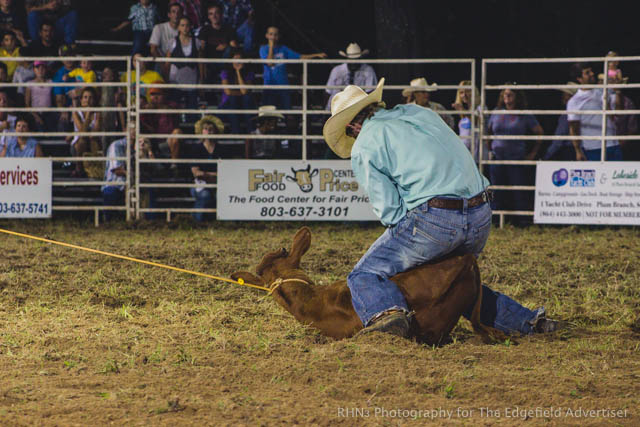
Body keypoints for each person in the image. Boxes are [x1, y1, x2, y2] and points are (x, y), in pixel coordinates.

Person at [322, 79, 559, 338]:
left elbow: (389, 211)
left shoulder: (365, 143)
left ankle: (387, 315)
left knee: (364, 274)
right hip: (481, 212)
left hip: (435, 218)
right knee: (456, 280)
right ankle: (528, 322)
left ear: (352, 126)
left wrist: (412, 237)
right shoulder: (419, 112)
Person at [486, 85, 543, 222]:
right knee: (497, 190)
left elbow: (539, 133)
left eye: (510, 94)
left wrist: (532, 154)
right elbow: (488, 132)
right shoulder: (497, 112)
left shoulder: (524, 114)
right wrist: (490, 149)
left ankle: (522, 221)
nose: (507, 97)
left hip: (516, 158)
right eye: (505, 94)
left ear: (517, 96)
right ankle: (496, 220)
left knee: (519, 191)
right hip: (498, 157)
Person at [259, 26, 326, 110]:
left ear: (278, 36)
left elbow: (300, 56)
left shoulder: (283, 49)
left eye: (275, 34)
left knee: (287, 111)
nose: (273, 37)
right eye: (271, 34)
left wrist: (316, 55)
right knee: (269, 114)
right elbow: (270, 63)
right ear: (267, 36)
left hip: (283, 85)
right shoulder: (263, 49)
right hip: (270, 85)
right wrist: (271, 47)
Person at [567, 62, 621, 161]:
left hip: (613, 144)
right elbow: (573, 128)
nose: (592, 74)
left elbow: (617, 112)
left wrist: (618, 91)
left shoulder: (603, 90)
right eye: (587, 73)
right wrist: (578, 151)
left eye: (591, 71)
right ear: (579, 79)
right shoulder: (574, 101)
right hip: (593, 148)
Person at [188, 115, 224, 221]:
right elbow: (196, 173)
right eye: (206, 129)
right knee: (204, 195)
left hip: (219, 183)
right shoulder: (196, 149)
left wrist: (207, 175)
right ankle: (197, 222)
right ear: (201, 132)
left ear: (216, 132)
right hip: (200, 183)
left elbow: (226, 172)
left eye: (211, 129)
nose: (208, 132)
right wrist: (212, 175)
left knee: (221, 195)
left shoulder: (222, 149)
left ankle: (223, 223)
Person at [139, 86, 183, 173]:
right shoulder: (147, 108)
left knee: (178, 132)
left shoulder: (171, 105)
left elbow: (174, 112)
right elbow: (144, 127)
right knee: (141, 140)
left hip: (168, 140)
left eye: (158, 94)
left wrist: (159, 108)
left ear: (164, 95)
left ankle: (174, 165)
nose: (155, 97)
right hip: (152, 141)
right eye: (152, 94)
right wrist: (144, 110)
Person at [197, 2, 237, 97]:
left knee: (230, 50)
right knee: (200, 54)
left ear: (221, 14)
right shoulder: (205, 30)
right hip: (210, 63)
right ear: (208, 17)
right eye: (211, 14)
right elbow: (201, 49)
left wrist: (226, 45)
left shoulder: (228, 29)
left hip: (225, 63)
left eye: (216, 13)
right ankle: (204, 83)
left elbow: (234, 47)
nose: (214, 16)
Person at [164, 15, 203, 112]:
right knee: (174, 107)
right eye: (182, 25)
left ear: (190, 27)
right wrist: (166, 79)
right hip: (175, 81)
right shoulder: (172, 42)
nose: (185, 28)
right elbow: (167, 63)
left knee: (192, 108)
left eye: (187, 25)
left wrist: (201, 79)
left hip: (192, 80)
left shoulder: (197, 42)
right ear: (178, 27)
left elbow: (201, 63)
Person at [325, 43, 377, 110]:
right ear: (347, 59)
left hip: (357, 108)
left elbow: (370, 93)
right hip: (336, 108)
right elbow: (327, 92)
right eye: (351, 59)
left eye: (356, 59)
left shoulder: (368, 70)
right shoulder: (337, 71)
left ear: (360, 59)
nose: (353, 62)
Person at [219, 48, 254, 135]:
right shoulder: (225, 72)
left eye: (240, 59)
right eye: (235, 59)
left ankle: (250, 132)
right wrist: (241, 93)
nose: (237, 62)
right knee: (233, 98)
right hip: (228, 105)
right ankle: (236, 131)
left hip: (243, 104)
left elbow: (245, 91)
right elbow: (228, 92)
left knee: (246, 98)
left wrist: (238, 72)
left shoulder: (249, 73)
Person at [451, 80, 487, 165]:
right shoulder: (464, 112)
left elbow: (478, 122)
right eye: (461, 92)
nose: (464, 95)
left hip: (478, 157)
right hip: (465, 156)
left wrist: (463, 111)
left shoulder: (481, 108)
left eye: (468, 91)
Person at [70, 87, 102, 177]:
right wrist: (88, 116)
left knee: (93, 141)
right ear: (81, 100)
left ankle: (95, 170)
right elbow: (82, 132)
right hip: (78, 145)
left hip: (93, 141)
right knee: (82, 141)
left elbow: (95, 132)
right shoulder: (76, 112)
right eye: (85, 97)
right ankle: (79, 168)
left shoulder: (97, 113)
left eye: (91, 97)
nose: (88, 100)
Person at [101, 127, 130, 221]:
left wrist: (149, 152)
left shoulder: (143, 144)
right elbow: (117, 170)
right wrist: (132, 175)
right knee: (110, 191)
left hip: (132, 180)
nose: (134, 132)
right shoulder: (116, 146)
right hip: (116, 182)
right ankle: (108, 221)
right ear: (125, 130)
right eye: (131, 129)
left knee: (149, 189)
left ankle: (150, 220)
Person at [543, 82, 578, 161]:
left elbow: (559, 139)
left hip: (569, 151)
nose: (563, 96)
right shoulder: (578, 112)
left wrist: (547, 155)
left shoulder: (566, 115)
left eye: (565, 94)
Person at [25, 60, 55, 131]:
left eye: (43, 68)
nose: (40, 70)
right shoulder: (30, 84)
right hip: (35, 113)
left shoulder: (51, 82)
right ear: (34, 70)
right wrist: (36, 116)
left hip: (49, 113)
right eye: (37, 68)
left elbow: (54, 99)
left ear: (46, 69)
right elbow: (27, 104)